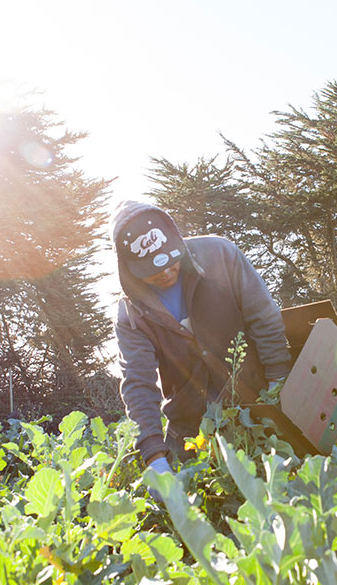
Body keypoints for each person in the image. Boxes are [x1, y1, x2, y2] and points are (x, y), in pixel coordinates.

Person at [110, 200, 291, 478]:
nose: (167, 272)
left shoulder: (220, 254)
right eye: (153, 270)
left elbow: (263, 316)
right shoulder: (130, 315)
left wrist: (278, 383)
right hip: (191, 427)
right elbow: (138, 382)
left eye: (171, 261)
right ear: (131, 269)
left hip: (254, 400)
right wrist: (154, 457)